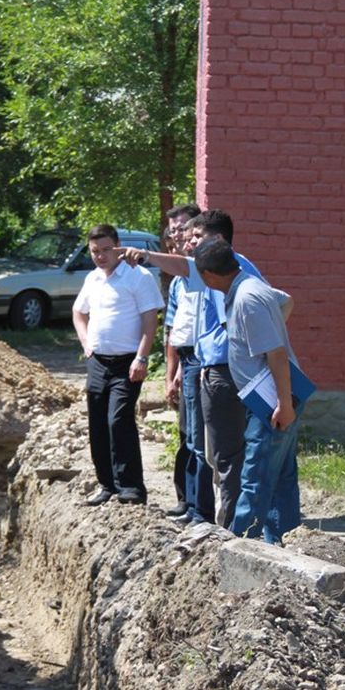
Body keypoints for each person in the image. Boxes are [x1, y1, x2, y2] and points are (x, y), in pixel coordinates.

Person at [121, 210, 278, 528]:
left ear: (218, 239)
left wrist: (146, 255)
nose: (189, 242)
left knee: (227, 453)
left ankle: (229, 523)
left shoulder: (232, 268)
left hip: (227, 370)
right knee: (212, 449)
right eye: (186, 236)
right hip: (209, 365)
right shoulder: (216, 271)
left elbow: (278, 310)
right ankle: (219, 516)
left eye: (196, 236)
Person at [193, 237, 300, 544]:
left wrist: (283, 403)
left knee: (256, 475)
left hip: (273, 400)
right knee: (280, 474)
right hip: (271, 396)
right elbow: (285, 301)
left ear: (208, 275)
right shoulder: (250, 287)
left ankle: (241, 546)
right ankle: (280, 541)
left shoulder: (247, 299)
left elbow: (276, 354)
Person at [72, 224, 164, 506]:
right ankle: (107, 484)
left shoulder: (138, 276)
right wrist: (86, 342)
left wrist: (142, 357)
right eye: (94, 251)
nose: (100, 256)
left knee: (119, 419)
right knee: (98, 422)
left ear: (118, 246)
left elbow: (150, 321)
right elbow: (78, 312)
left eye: (105, 250)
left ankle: (131, 488)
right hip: (98, 361)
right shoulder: (92, 279)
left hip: (128, 362)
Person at [163, 203, 200, 518]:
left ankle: (202, 507)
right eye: (174, 230)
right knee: (187, 433)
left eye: (183, 228)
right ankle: (187, 500)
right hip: (186, 362)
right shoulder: (177, 283)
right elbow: (173, 332)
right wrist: (171, 374)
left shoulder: (204, 272)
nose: (178, 235)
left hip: (206, 362)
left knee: (202, 437)